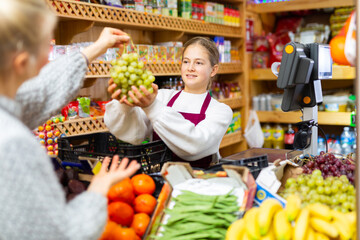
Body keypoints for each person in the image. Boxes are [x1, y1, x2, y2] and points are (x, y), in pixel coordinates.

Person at [0, 0, 140, 239]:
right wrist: (98, 188)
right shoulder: (13, 144)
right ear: (22, 62)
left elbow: (40, 93)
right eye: (46, 47)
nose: (48, 59)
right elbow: (59, 234)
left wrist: (95, 49)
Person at [105, 37, 233, 168]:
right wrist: (125, 105)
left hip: (197, 183)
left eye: (198, 63)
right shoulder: (162, 96)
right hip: (157, 180)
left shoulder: (220, 111)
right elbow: (135, 135)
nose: (190, 68)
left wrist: (152, 107)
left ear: (213, 70)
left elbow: (195, 146)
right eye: (186, 61)